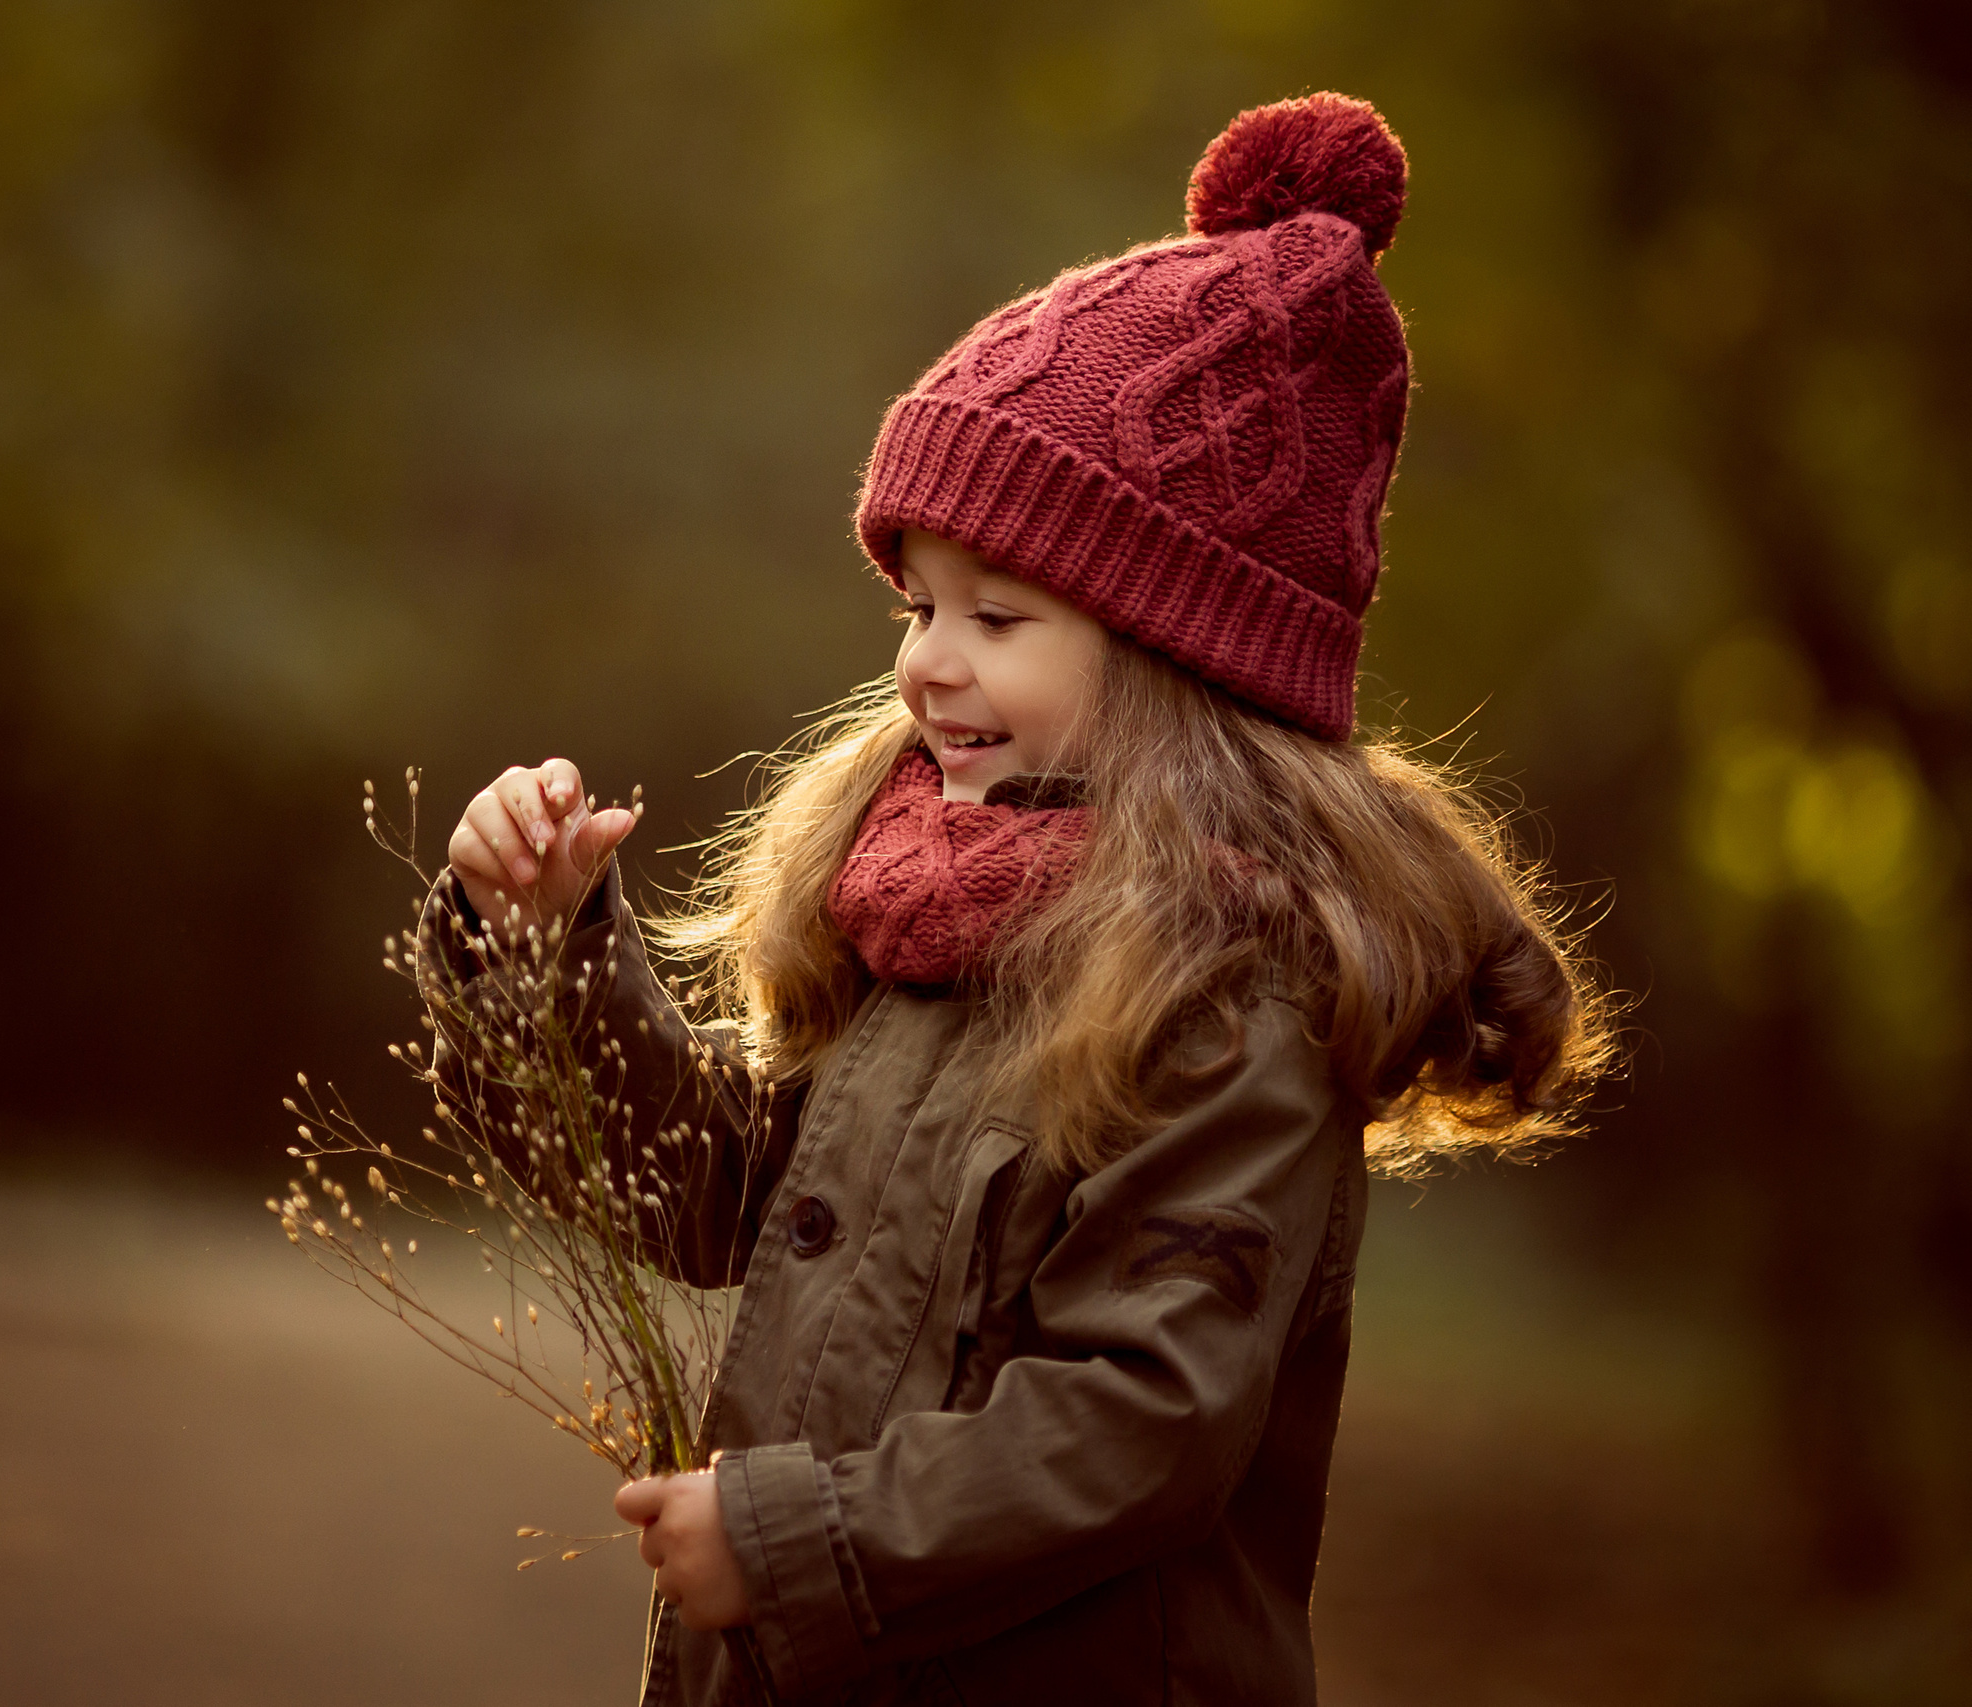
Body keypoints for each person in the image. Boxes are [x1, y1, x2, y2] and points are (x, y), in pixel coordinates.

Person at [427, 92, 1612, 1706]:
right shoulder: (935, 915)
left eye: (999, 613)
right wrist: (551, 946)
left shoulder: (1225, 990)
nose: (926, 660)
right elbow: (729, 1200)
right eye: (919, 602)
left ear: (1183, 655)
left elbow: (1144, 1420)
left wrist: (794, 1549)